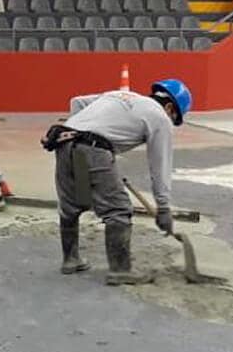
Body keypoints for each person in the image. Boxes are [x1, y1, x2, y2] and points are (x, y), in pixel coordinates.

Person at [42, 79, 191, 285]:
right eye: (174, 118)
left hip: (64, 141)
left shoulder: (119, 95)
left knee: (73, 204)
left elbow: (77, 102)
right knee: (118, 210)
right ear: (169, 108)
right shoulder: (160, 117)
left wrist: (80, 133)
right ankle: (120, 270)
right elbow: (160, 165)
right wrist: (163, 207)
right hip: (94, 149)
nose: (171, 122)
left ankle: (71, 259)